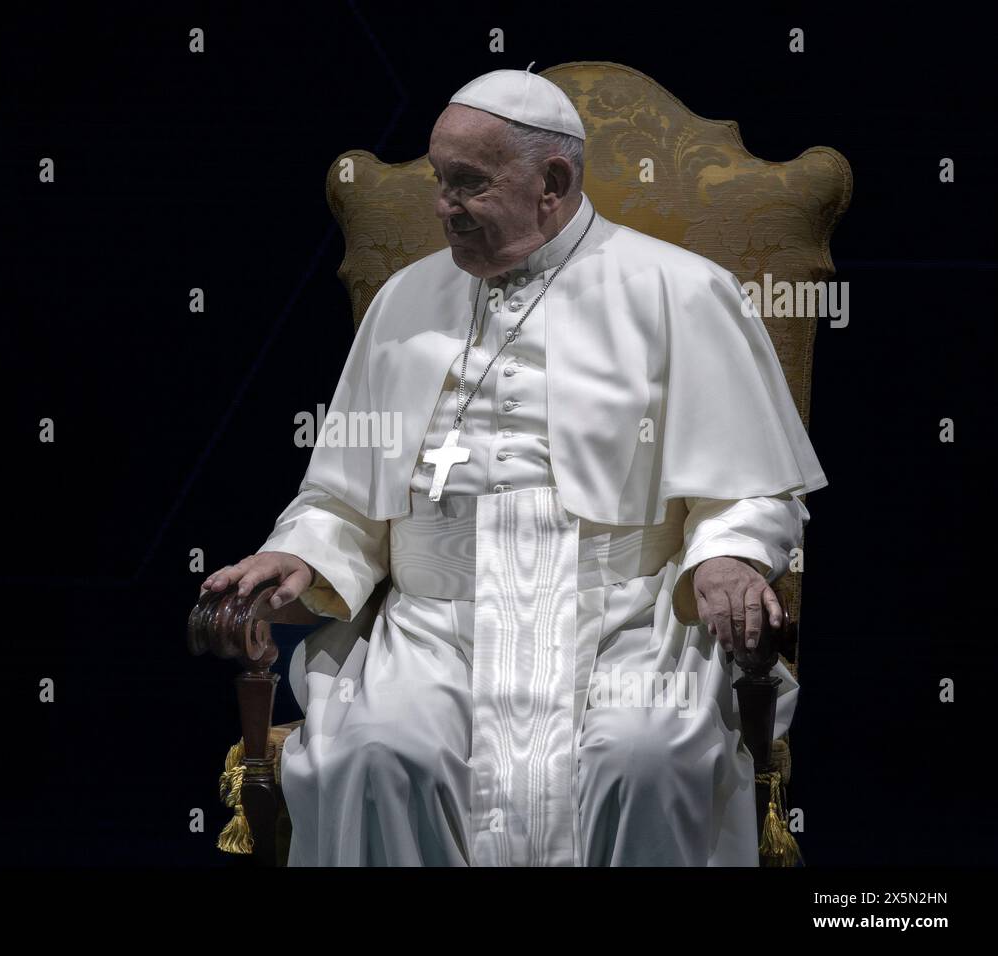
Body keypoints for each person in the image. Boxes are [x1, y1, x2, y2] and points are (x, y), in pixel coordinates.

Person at [200, 68, 826, 866]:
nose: (442, 207)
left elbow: (748, 487)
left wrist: (727, 556)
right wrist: (302, 553)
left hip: (623, 625)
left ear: (552, 183)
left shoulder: (683, 292)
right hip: (435, 631)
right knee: (379, 756)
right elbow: (344, 497)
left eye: (468, 184)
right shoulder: (403, 301)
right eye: (438, 181)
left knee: (643, 759)